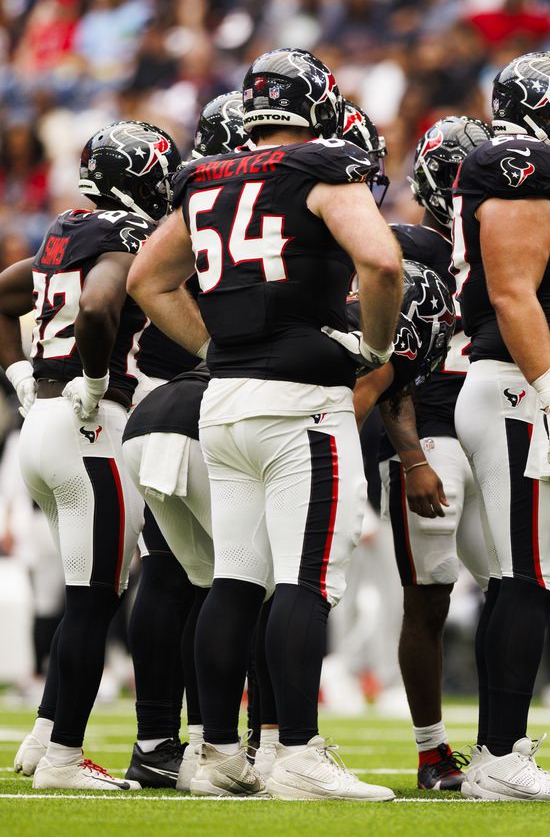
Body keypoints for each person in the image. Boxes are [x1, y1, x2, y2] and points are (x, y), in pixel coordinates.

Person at [126, 47, 403, 801]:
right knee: (305, 581)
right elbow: (381, 263)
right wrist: (374, 346)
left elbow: (147, 279)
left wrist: (217, 345)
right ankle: (299, 754)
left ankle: (217, 755)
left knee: (235, 580)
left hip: (223, 399)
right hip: (300, 405)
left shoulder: (206, 176)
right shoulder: (319, 166)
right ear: (315, 104)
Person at [0, 119, 180, 791]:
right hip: (90, 425)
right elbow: (97, 307)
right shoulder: (126, 235)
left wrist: (20, 376)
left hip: (45, 425)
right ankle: (64, 757)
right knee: (96, 598)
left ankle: (43, 733)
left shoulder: (69, 230)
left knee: (81, 595)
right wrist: (94, 379)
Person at [450, 50, 550, 802]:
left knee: (524, 577)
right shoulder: (520, 161)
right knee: (528, 577)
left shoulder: (540, 164)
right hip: (519, 389)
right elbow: (513, 290)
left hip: (523, 389)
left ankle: (497, 748)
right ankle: (502, 756)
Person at [121, 90, 254, 792]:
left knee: (176, 574)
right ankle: (209, 741)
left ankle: (162, 741)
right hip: (206, 402)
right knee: (227, 573)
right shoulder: (222, 199)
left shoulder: (192, 195)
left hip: (163, 402)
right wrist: (217, 352)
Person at [371, 115, 493, 791]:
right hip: (433, 431)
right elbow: (388, 360)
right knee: (429, 595)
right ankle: (430, 750)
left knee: (512, 585)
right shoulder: (406, 245)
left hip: (494, 431)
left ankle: (501, 746)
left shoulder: (510, 236)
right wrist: (411, 453)